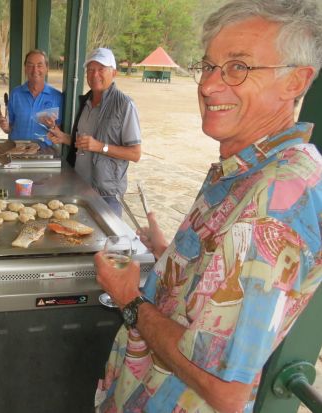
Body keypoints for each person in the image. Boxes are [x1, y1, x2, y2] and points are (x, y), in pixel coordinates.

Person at [94, 1, 322, 412]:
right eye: (209, 66)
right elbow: (224, 288)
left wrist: (130, 300)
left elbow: (225, 390)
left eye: (238, 67)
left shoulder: (274, 199)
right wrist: (174, 259)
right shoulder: (250, 166)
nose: (209, 85)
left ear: (296, 81)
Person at [48, 47, 141, 216]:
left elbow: (135, 154)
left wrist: (100, 147)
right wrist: (64, 138)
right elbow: (84, 143)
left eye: (101, 69)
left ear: (114, 73)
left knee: (106, 242)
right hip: (79, 186)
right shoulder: (86, 102)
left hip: (106, 195)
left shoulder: (125, 105)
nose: (94, 74)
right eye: (90, 70)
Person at [0, 49, 63, 146]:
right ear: (25, 68)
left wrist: (52, 126)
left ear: (47, 68)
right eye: (30, 65)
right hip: (17, 151)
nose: (35, 70)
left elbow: (60, 132)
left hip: (44, 153)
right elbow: (10, 127)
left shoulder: (57, 97)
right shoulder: (16, 94)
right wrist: (6, 128)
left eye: (39, 65)